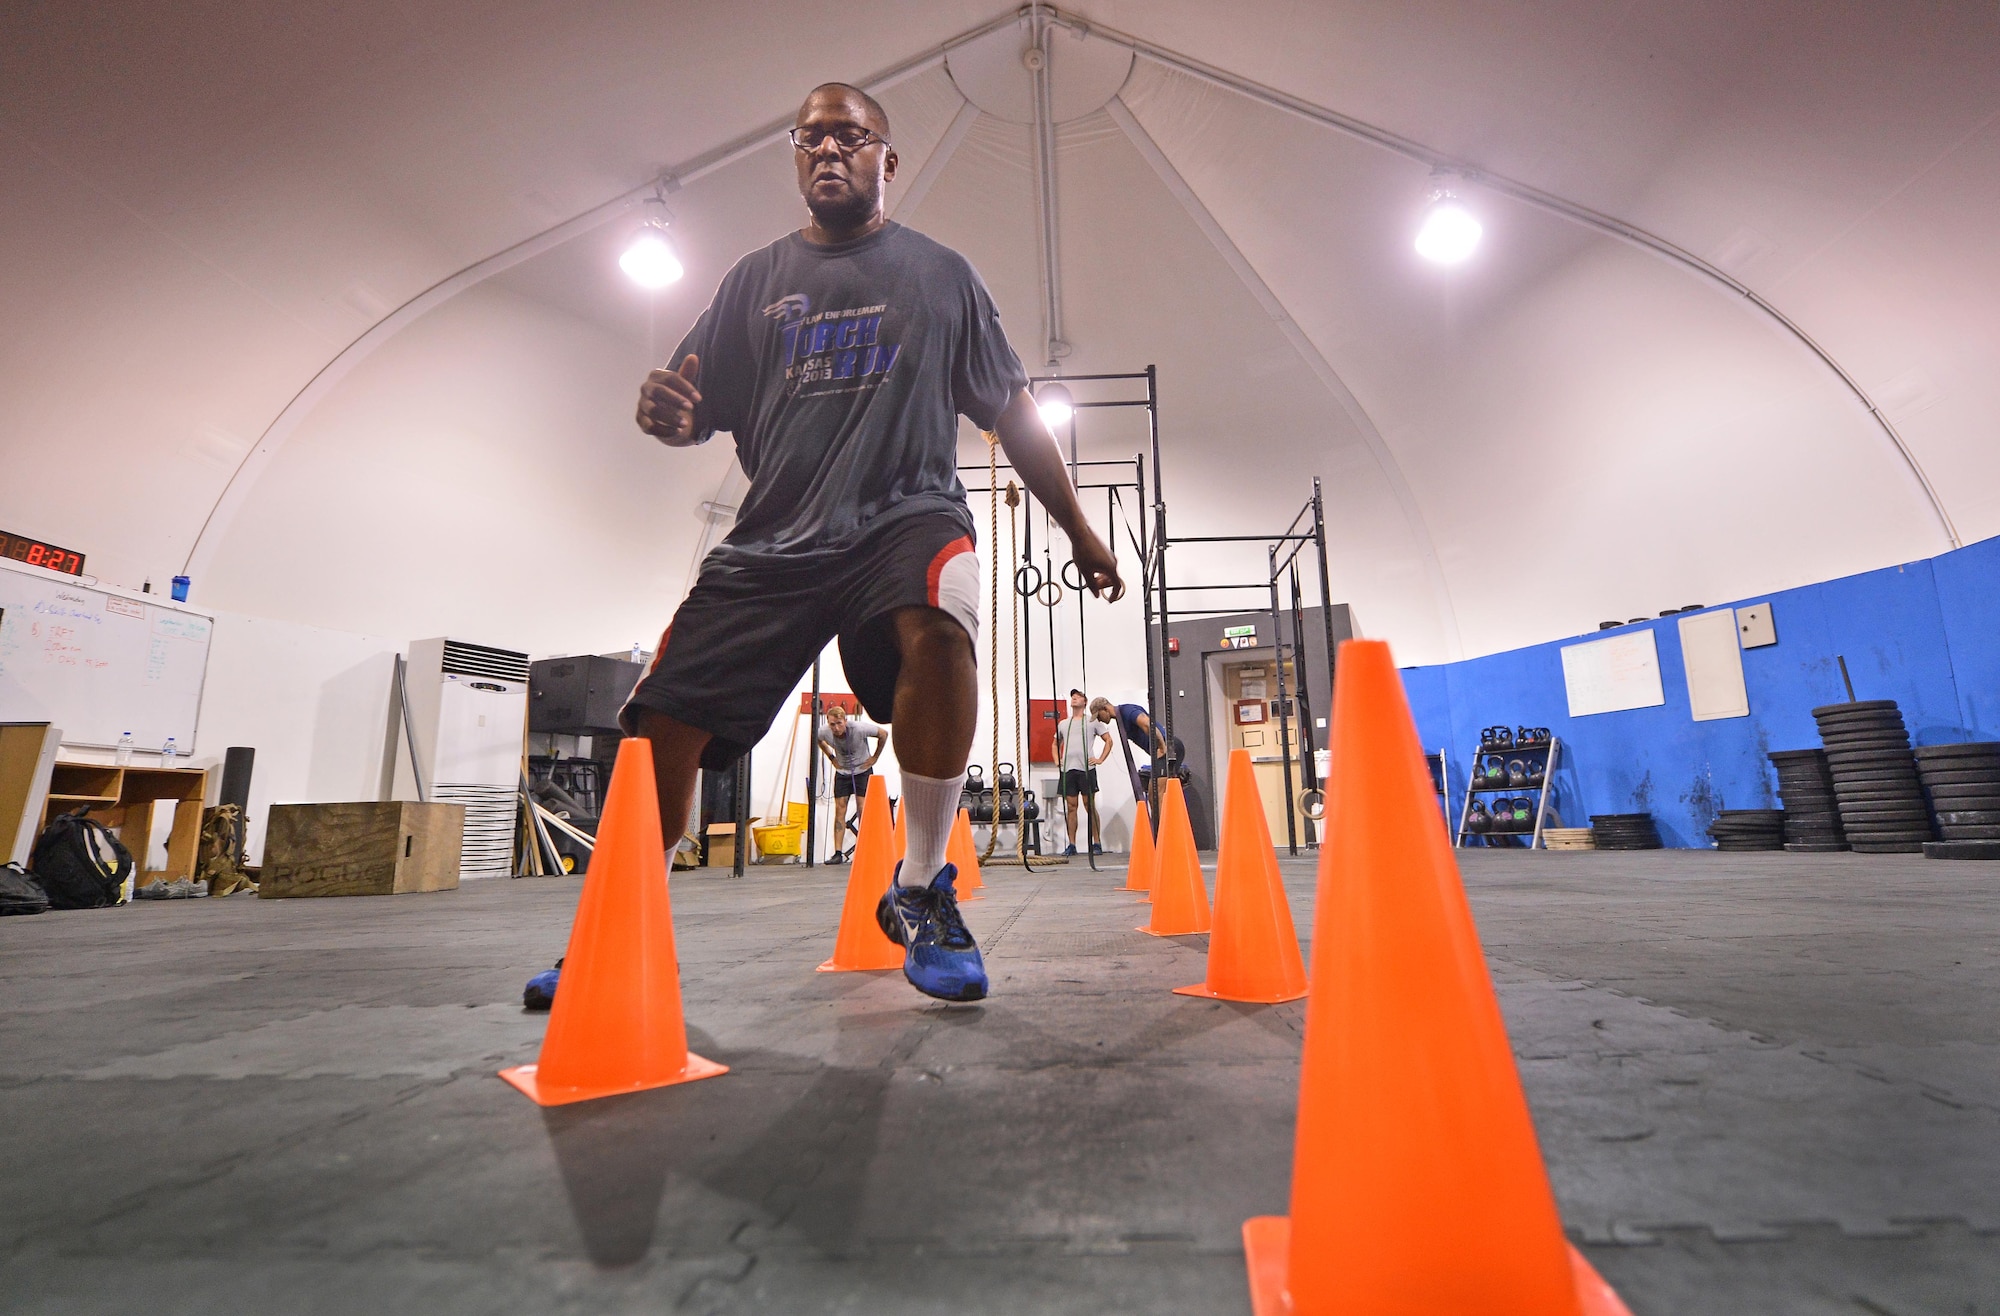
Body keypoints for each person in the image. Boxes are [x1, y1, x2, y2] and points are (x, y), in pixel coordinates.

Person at [528, 82, 1121, 1009]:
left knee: (944, 608)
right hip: (776, 539)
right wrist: (668, 417)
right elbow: (694, 404)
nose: (830, 151)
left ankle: (921, 886)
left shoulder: (940, 274)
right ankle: (614, 931)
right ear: (797, 159)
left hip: (903, 511)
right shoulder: (754, 283)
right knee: (660, 720)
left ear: (888, 160)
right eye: (812, 139)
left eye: (851, 136)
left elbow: (1012, 411)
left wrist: (1079, 530)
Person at [814, 703, 884, 861]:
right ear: (828, 723)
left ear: (845, 721)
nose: (836, 728)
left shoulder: (859, 728)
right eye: (833, 724)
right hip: (843, 772)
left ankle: (865, 849)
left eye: (839, 723)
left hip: (862, 770)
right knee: (840, 809)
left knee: (862, 809)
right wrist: (831, 758)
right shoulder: (824, 732)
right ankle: (838, 853)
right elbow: (818, 740)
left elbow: (883, 734)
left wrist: (874, 758)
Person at [1053, 689, 1112, 855]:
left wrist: (1100, 759)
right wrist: (1058, 761)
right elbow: (1055, 744)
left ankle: (1097, 843)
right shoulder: (1064, 724)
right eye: (1072, 696)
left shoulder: (1092, 721)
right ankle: (1071, 845)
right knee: (1071, 807)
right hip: (1068, 770)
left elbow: (1108, 740)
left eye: (1077, 696)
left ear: (1085, 701)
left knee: (1089, 806)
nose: (1074, 698)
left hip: (1086, 770)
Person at [1093, 696, 1179, 808]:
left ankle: (1162, 826)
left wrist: (1162, 747)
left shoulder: (1126, 711)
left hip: (1169, 747)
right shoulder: (1120, 719)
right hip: (1165, 749)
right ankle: (1165, 824)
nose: (1099, 720)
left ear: (1105, 709)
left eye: (1098, 716)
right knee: (1158, 797)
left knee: (1155, 796)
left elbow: (1148, 724)